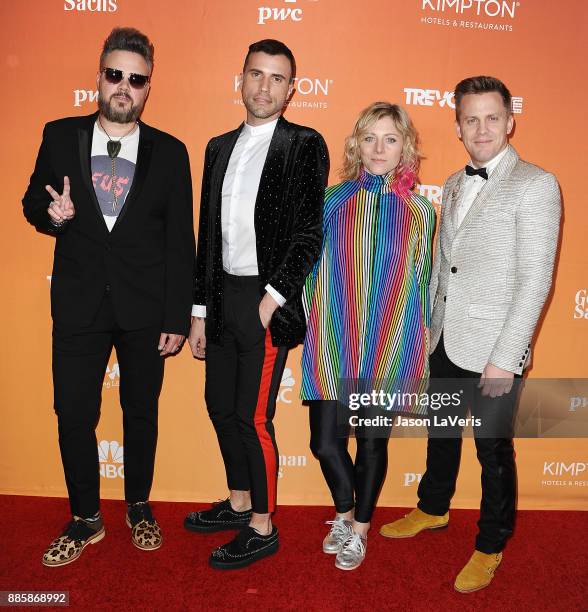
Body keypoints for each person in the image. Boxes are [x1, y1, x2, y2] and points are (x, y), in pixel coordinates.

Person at [379, 76, 561, 593]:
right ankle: (434, 507)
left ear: (510, 121)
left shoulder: (536, 184)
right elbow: (444, 268)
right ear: (458, 126)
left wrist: (507, 357)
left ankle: (490, 542)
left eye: (492, 118)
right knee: (441, 433)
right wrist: (424, 332)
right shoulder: (456, 183)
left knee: (492, 451)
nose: (481, 128)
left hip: (494, 347)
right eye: (470, 119)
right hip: (445, 336)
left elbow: (536, 280)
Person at [22, 27, 195, 567]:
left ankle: (138, 506)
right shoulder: (59, 135)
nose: (124, 86)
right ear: (98, 77)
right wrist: (50, 215)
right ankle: (85, 517)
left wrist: (177, 315)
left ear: (148, 88)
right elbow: (32, 201)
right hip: (77, 304)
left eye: (136, 79)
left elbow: (179, 242)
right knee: (74, 412)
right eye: (114, 74)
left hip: (146, 310)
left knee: (140, 411)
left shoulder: (171, 152)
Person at [185, 39, 329, 570]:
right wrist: (199, 310)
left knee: (253, 417)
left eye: (276, 78)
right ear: (240, 80)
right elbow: (208, 235)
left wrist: (273, 298)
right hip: (220, 297)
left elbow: (309, 234)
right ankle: (240, 501)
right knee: (221, 408)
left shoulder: (303, 144)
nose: (264, 87)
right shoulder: (217, 146)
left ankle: (263, 526)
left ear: (292, 90)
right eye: (256, 75)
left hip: (266, 302)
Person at [301, 102, 435, 570]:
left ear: (405, 149)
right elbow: (311, 271)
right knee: (324, 442)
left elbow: (422, 280)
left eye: (391, 139)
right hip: (335, 339)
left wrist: (415, 349)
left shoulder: (422, 211)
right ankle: (343, 512)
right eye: (370, 138)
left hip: (387, 345)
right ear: (356, 144)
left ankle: (359, 530)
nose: (379, 148)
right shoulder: (330, 200)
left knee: (372, 444)